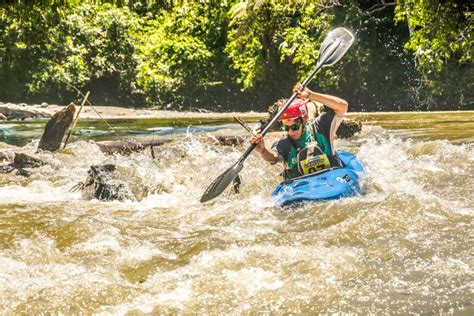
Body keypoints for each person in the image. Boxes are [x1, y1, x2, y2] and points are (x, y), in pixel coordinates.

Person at [250, 85, 348, 180]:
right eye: (286, 127)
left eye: (295, 126)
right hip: (302, 187)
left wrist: (310, 95)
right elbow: (273, 158)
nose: (291, 132)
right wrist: (262, 150)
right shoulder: (284, 143)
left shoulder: (320, 126)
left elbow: (343, 106)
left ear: (304, 120)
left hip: (331, 178)